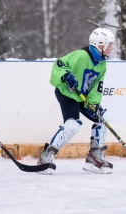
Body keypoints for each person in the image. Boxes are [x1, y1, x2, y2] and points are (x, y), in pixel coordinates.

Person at [38, 28, 116, 174]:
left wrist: (93, 103)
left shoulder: (102, 64)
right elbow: (59, 65)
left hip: (83, 97)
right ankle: (46, 156)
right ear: (99, 44)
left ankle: (94, 157)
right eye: (108, 44)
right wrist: (66, 75)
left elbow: (95, 87)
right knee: (73, 125)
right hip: (67, 93)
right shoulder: (80, 56)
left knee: (102, 118)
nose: (111, 48)